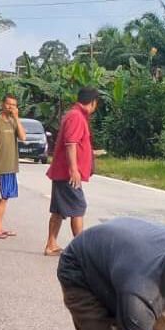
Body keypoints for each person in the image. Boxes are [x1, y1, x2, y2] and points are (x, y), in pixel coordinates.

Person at [44, 86, 99, 256]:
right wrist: (74, 170)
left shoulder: (75, 115)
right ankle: (80, 251)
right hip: (68, 174)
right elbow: (71, 144)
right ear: (93, 102)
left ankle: (51, 244)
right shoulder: (76, 117)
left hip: (62, 172)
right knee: (78, 207)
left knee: (59, 211)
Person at [0, 94, 25, 239]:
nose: (10, 107)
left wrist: (17, 118)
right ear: (2, 104)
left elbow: (23, 137)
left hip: (11, 167)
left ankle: (0, 227)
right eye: (8, 104)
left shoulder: (13, 122)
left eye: (13, 105)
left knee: (4, 198)